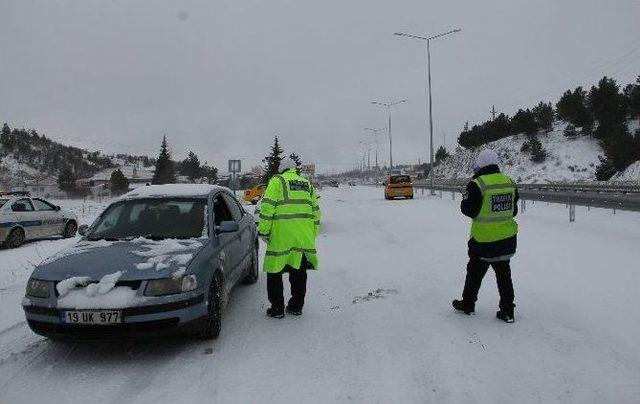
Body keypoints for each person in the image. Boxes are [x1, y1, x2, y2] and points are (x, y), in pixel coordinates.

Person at [452, 149, 519, 323]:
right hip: (506, 240)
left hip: (483, 242)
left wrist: (464, 200)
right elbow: (514, 210)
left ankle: (468, 304)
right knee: (504, 275)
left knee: (474, 273)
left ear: (480, 165)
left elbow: (469, 210)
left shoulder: (477, 184)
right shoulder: (509, 182)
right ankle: (507, 311)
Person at [258, 156, 321, 318]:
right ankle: (296, 306)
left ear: (281, 169)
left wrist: (263, 231)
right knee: (299, 271)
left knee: (274, 272)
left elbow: (267, 208)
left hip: (281, 237)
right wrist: (312, 233)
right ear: (294, 169)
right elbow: (316, 212)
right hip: (303, 237)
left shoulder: (277, 181)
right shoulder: (307, 184)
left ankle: (277, 308)